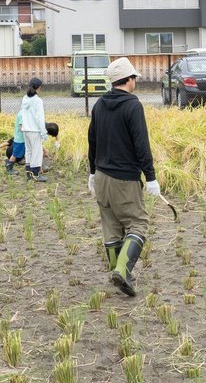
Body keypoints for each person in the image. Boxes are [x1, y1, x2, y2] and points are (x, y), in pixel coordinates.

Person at [88, 57, 160, 297]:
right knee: (137, 223)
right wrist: (150, 177)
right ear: (129, 80)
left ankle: (118, 271)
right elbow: (142, 144)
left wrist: (91, 172)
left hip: (101, 176)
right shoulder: (132, 105)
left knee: (111, 226)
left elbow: (92, 141)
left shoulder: (99, 105)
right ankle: (122, 269)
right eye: (135, 78)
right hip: (124, 179)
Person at [20, 77, 48, 182]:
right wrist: (44, 132)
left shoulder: (24, 99)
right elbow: (40, 119)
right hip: (35, 130)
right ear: (39, 88)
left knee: (29, 151)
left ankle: (29, 173)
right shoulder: (38, 101)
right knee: (37, 152)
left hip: (26, 129)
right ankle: (36, 174)